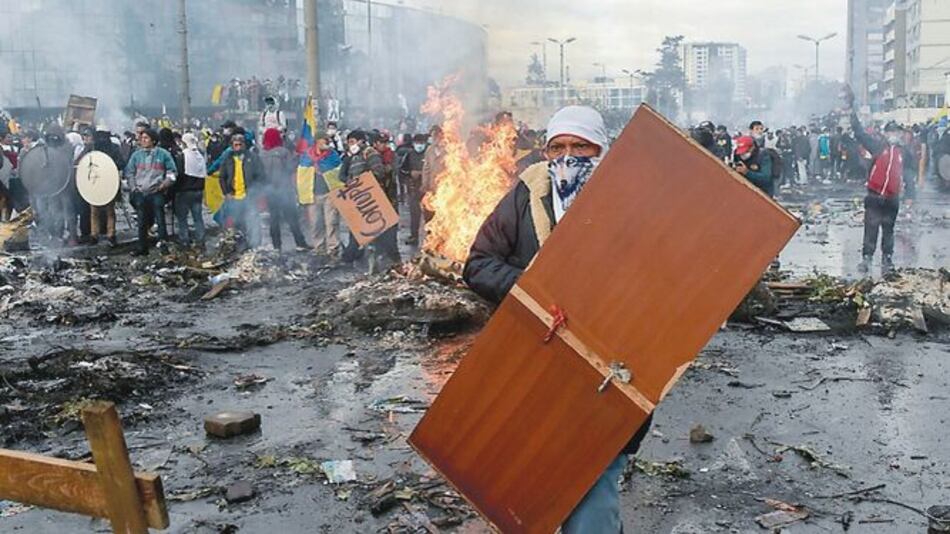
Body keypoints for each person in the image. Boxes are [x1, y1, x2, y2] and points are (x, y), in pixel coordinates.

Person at [463, 106, 649, 534]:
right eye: (558, 147)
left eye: (581, 146)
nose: (569, 156)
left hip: (608, 364)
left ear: (601, 149)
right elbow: (479, 264)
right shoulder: (526, 195)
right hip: (539, 361)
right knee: (544, 479)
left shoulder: (631, 200)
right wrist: (536, 291)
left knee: (594, 475)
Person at [851, 114, 909, 274]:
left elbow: (909, 173)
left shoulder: (903, 152)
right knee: (871, 227)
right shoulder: (877, 146)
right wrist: (853, 115)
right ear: (885, 133)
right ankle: (867, 258)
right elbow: (860, 134)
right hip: (874, 195)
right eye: (891, 132)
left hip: (892, 198)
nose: (894, 135)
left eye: (897, 132)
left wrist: (910, 194)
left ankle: (887, 258)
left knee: (888, 229)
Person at [124, 128, 177, 256]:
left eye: (146, 138)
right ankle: (142, 248)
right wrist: (133, 188)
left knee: (160, 220)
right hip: (140, 193)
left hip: (157, 192)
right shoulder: (136, 155)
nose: (143, 140)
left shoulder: (163, 154)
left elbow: (173, 172)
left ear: (153, 140)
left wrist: (164, 185)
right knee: (142, 221)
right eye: (141, 138)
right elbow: (129, 172)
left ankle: (163, 246)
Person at [259, 128, 309, 252]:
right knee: (292, 218)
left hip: (269, 191)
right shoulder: (283, 152)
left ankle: (277, 246)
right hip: (284, 189)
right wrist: (297, 158)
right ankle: (300, 243)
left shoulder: (261, 154)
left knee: (274, 219)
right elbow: (289, 168)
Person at [219, 133, 264, 249]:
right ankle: (239, 247)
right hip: (234, 198)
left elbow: (261, 176)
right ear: (232, 146)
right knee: (236, 224)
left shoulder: (253, 158)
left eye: (240, 144)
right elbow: (222, 177)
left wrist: (255, 191)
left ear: (244, 145)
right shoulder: (227, 159)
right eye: (236, 145)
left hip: (249, 197)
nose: (238, 147)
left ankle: (255, 248)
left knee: (253, 223)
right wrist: (226, 192)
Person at [310, 135, 343, 256]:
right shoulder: (308, 156)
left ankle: (333, 248)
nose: (325, 145)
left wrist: (321, 167)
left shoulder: (332, 155)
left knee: (331, 222)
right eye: (322, 142)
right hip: (313, 193)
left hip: (329, 192)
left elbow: (338, 170)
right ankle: (319, 247)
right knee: (315, 223)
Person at [175, 133, 207, 249]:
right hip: (198, 191)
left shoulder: (183, 156)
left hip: (185, 191)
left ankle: (184, 240)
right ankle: (200, 240)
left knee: (182, 218)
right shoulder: (200, 155)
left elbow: (179, 174)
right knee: (198, 217)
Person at [401, 134, 429, 245]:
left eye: (421, 143)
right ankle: (414, 236)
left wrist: (422, 174)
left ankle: (431, 237)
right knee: (414, 214)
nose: (419, 145)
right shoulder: (409, 155)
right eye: (417, 143)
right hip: (414, 189)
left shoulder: (429, 154)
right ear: (413, 144)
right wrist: (410, 173)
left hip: (427, 189)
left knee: (429, 215)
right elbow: (402, 170)